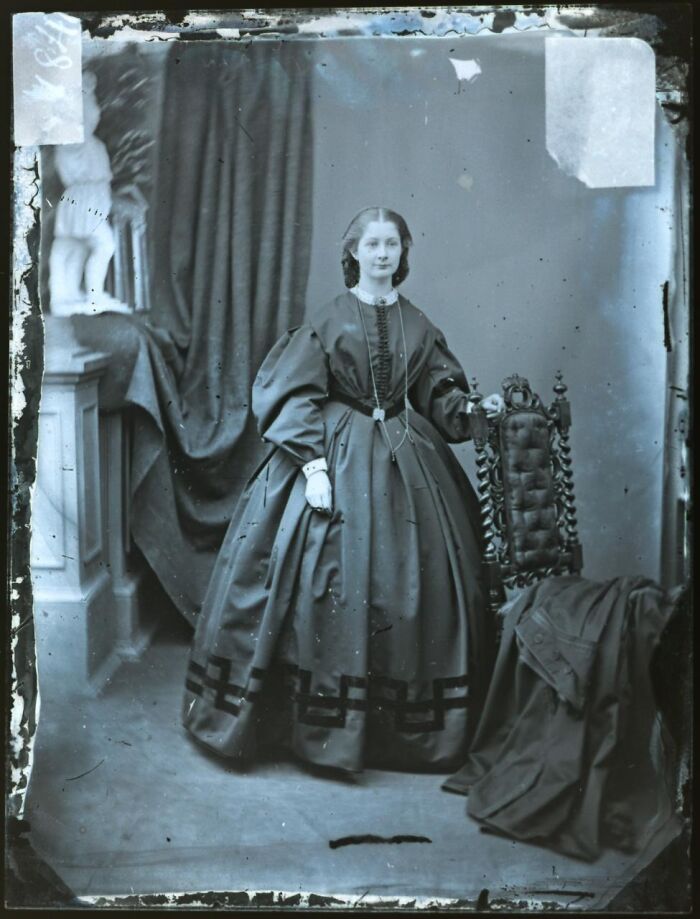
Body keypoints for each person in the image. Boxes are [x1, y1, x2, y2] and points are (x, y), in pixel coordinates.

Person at [182, 206, 504, 773]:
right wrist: (312, 468)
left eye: (393, 245)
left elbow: (441, 398)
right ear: (353, 252)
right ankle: (310, 725)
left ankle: (394, 733)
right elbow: (292, 395)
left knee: (417, 577)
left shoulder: (420, 325)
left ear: (404, 253)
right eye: (372, 244)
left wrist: (475, 410)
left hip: (408, 456)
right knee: (317, 574)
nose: (383, 254)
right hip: (331, 456)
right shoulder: (326, 321)